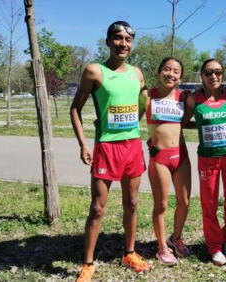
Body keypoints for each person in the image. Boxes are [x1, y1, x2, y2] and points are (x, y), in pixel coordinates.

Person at [70, 21, 150, 282]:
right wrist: (83, 144)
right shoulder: (95, 71)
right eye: (117, 38)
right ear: (107, 41)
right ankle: (88, 263)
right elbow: (75, 108)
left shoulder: (137, 74)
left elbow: (143, 102)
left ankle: (129, 253)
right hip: (106, 147)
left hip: (132, 147)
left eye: (128, 40)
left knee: (133, 203)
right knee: (98, 208)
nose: (123, 44)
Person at [182, 59, 226, 266]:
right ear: (201, 76)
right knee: (209, 203)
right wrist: (201, 125)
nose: (213, 76)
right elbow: (183, 123)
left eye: (218, 72)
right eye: (208, 72)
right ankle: (214, 246)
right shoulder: (195, 100)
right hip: (207, 159)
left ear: (222, 74)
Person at [138, 57, 191, 266]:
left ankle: (175, 237)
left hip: (181, 155)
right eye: (167, 69)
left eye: (176, 71)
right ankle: (162, 247)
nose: (171, 74)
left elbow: (191, 121)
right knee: (161, 204)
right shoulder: (147, 96)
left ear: (180, 77)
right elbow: (134, 120)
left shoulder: (184, 97)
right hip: (159, 157)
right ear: (159, 72)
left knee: (184, 202)